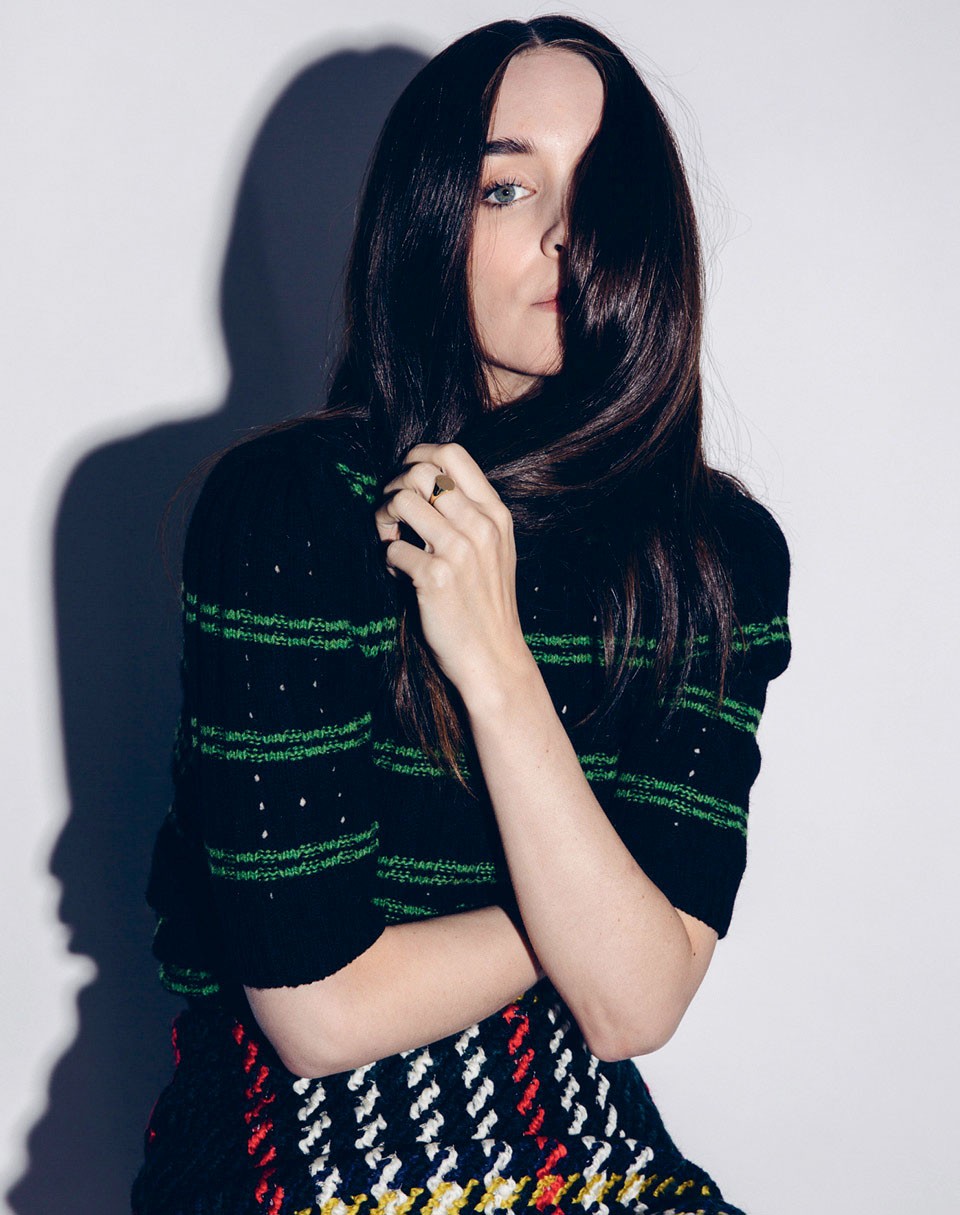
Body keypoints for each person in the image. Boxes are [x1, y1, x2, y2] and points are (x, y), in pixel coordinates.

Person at [132, 15, 791, 1215]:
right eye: (505, 188)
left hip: (585, 1129)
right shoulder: (296, 510)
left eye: (603, 190)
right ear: (427, 222)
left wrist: (493, 661)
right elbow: (320, 1013)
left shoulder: (713, 558)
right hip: (298, 1141)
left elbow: (634, 1010)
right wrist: (604, 920)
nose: (565, 234)